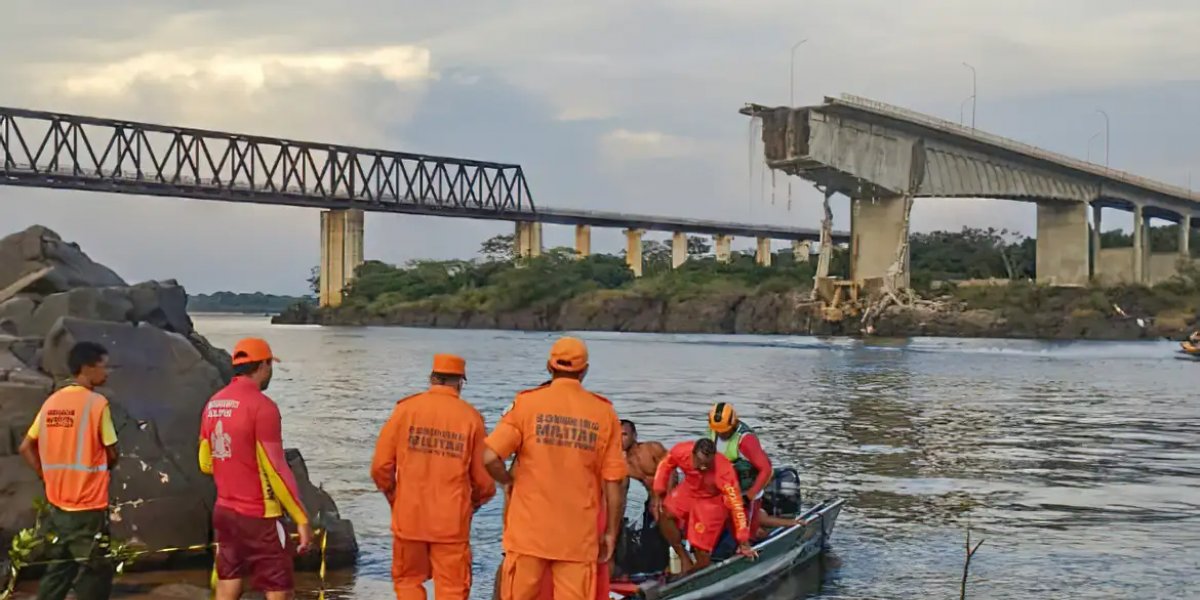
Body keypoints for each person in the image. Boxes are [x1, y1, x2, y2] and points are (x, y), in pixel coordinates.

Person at [483, 336, 627, 600]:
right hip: (577, 538)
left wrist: (507, 481)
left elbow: (490, 456)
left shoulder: (527, 404)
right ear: (584, 371)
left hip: (528, 533)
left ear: (549, 367)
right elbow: (614, 482)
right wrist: (610, 533)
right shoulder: (604, 413)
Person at [370, 354, 496, 600]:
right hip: (451, 523)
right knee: (451, 588)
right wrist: (472, 504)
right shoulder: (471, 418)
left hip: (409, 518)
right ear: (460, 382)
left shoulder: (405, 410)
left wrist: (395, 497)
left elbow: (380, 467)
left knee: (407, 583)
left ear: (431, 378)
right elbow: (484, 481)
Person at [198, 337, 313, 600]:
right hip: (260, 514)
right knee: (278, 585)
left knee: (229, 577)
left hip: (225, 511)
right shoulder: (262, 407)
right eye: (269, 365)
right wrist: (302, 518)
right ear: (263, 365)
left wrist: (232, 468)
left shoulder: (213, 403)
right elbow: (276, 468)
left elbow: (205, 463)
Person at [18, 341, 118, 600]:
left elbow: (25, 447)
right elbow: (112, 452)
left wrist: (45, 475)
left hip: (58, 502)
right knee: (96, 569)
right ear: (86, 368)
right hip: (87, 505)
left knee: (61, 566)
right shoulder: (97, 404)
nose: (107, 373)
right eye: (103, 367)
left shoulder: (52, 402)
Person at [651, 438, 756, 574]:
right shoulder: (681, 451)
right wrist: (658, 491)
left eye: (707, 464)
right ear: (693, 454)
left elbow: (736, 505)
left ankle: (693, 575)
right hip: (690, 488)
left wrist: (743, 540)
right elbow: (666, 464)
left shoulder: (724, 471)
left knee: (701, 550)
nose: (703, 467)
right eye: (699, 462)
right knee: (665, 511)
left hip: (711, 499)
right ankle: (683, 557)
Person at [706, 403, 772, 540]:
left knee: (747, 534)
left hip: (746, 490)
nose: (721, 434)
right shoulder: (713, 431)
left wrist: (749, 496)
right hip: (725, 489)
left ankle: (757, 534)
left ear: (733, 423)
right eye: (718, 431)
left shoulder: (746, 440)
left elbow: (766, 470)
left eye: (724, 431)